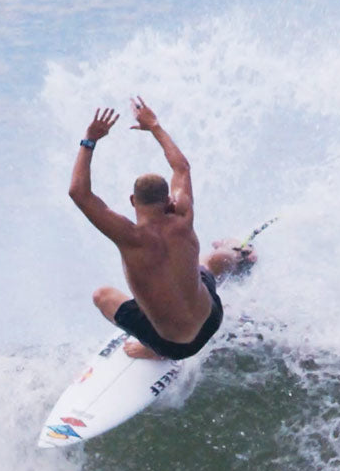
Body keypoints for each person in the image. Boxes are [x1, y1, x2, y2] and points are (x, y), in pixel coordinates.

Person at [69, 97, 257, 360]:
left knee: (102, 296)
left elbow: (79, 193)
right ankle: (241, 255)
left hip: (174, 347)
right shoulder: (183, 215)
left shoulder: (129, 237)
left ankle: (152, 350)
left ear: (133, 201)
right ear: (168, 199)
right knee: (210, 261)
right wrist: (154, 126)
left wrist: (90, 139)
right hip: (212, 319)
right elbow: (181, 167)